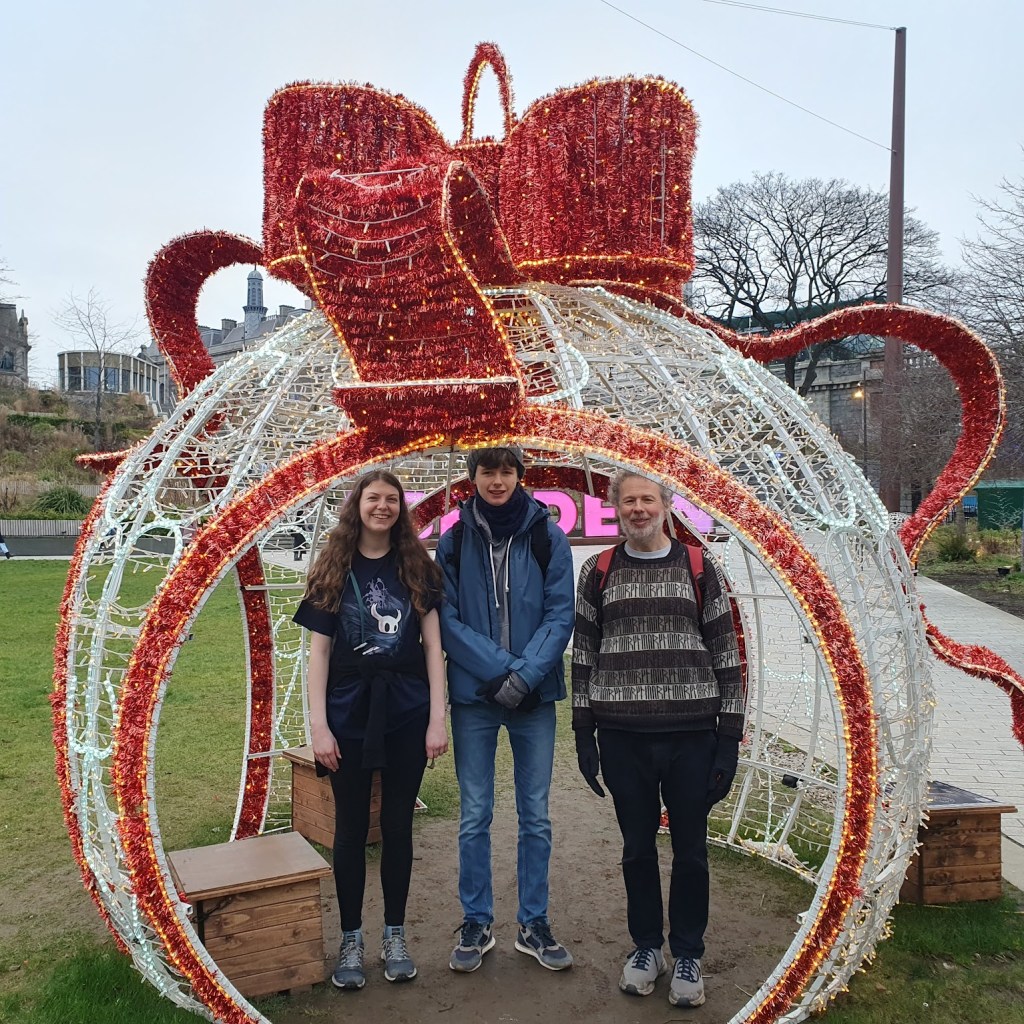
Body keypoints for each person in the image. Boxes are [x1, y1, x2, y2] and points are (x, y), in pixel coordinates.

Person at [571, 470, 744, 1007]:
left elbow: (727, 653)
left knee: (691, 850)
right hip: (623, 736)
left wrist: (729, 739)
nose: (638, 509)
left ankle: (688, 950)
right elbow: (583, 654)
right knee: (636, 850)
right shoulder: (598, 571)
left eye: (648, 499)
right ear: (615, 508)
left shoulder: (699, 567)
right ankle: (647, 946)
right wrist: (583, 731)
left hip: (692, 735)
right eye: (629, 501)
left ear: (667, 506)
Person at [293, 470, 448, 990]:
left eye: (391, 500)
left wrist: (436, 720)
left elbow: (433, 648)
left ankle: (395, 935)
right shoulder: (333, 567)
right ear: (356, 505)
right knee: (351, 828)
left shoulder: (418, 568)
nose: (381, 507)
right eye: (372, 498)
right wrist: (318, 727)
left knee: (399, 825)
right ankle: (352, 937)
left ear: (401, 508)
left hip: (405, 711)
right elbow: (317, 653)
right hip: (349, 712)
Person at [437, 446, 575, 973]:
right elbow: (447, 618)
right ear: (472, 478)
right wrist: (500, 672)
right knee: (475, 814)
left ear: (520, 476)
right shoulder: (452, 542)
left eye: (506, 471)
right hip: (477, 697)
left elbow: (560, 614)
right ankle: (476, 920)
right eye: (487, 471)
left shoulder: (547, 535)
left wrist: (525, 675)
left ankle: (533, 922)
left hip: (533, 698)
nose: (497, 480)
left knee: (534, 814)